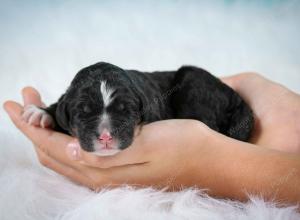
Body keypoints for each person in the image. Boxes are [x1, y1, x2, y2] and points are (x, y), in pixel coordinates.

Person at [4, 72, 300, 205]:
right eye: (86, 112)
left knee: (192, 84)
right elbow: (62, 108)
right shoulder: (67, 106)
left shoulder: (158, 99)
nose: (105, 134)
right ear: (69, 112)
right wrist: (48, 115)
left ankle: (222, 133)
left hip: (193, 86)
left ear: (140, 107)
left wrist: (213, 155)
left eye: (123, 111)